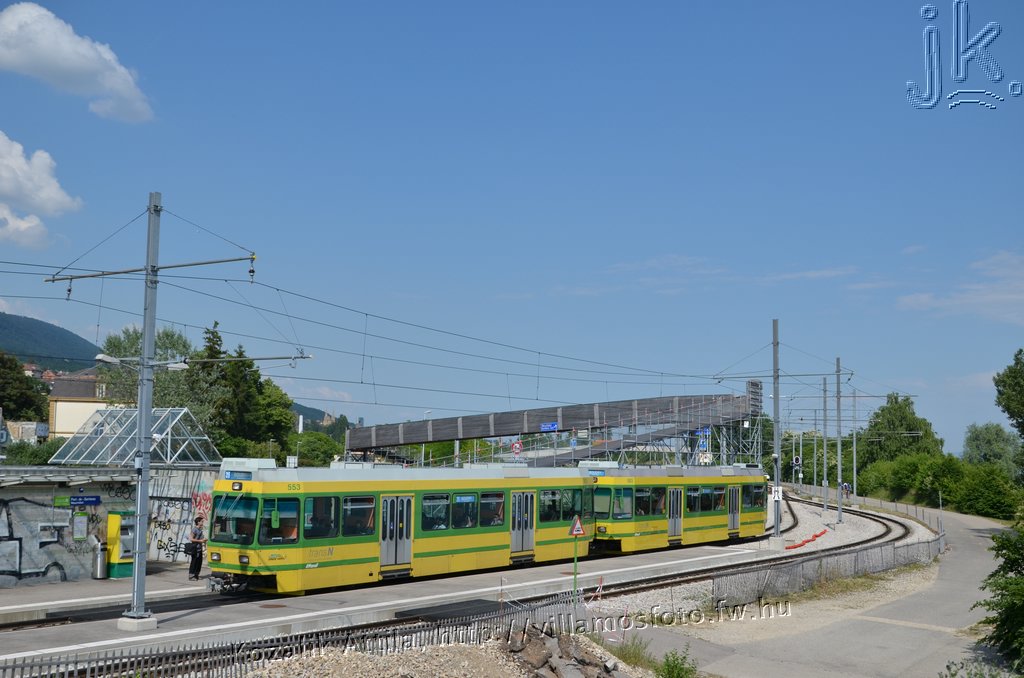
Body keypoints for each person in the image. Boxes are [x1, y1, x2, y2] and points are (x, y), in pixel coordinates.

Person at [188, 515, 206, 581]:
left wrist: (204, 540)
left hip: (199, 548)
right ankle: (191, 576)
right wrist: (200, 541)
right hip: (195, 548)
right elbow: (191, 539)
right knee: (194, 562)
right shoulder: (194, 529)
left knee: (199, 563)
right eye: (202, 521)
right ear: (198, 522)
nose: (202, 523)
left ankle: (196, 575)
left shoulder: (200, 530)